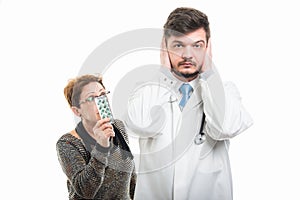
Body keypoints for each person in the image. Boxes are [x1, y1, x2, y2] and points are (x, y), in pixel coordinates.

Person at [124, 7, 253, 200]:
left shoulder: (224, 90)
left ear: (208, 47)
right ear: (165, 47)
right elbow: (139, 124)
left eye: (197, 45)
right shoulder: (147, 90)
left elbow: (226, 127)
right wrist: (163, 75)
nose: (187, 55)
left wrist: (209, 74)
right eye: (178, 45)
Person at [56, 74, 136, 200]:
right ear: (77, 111)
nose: (100, 101)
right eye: (92, 98)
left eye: (103, 94)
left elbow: (131, 177)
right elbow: (85, 191)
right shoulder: (67, 143)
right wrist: (102, 147)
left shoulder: (118, 127)